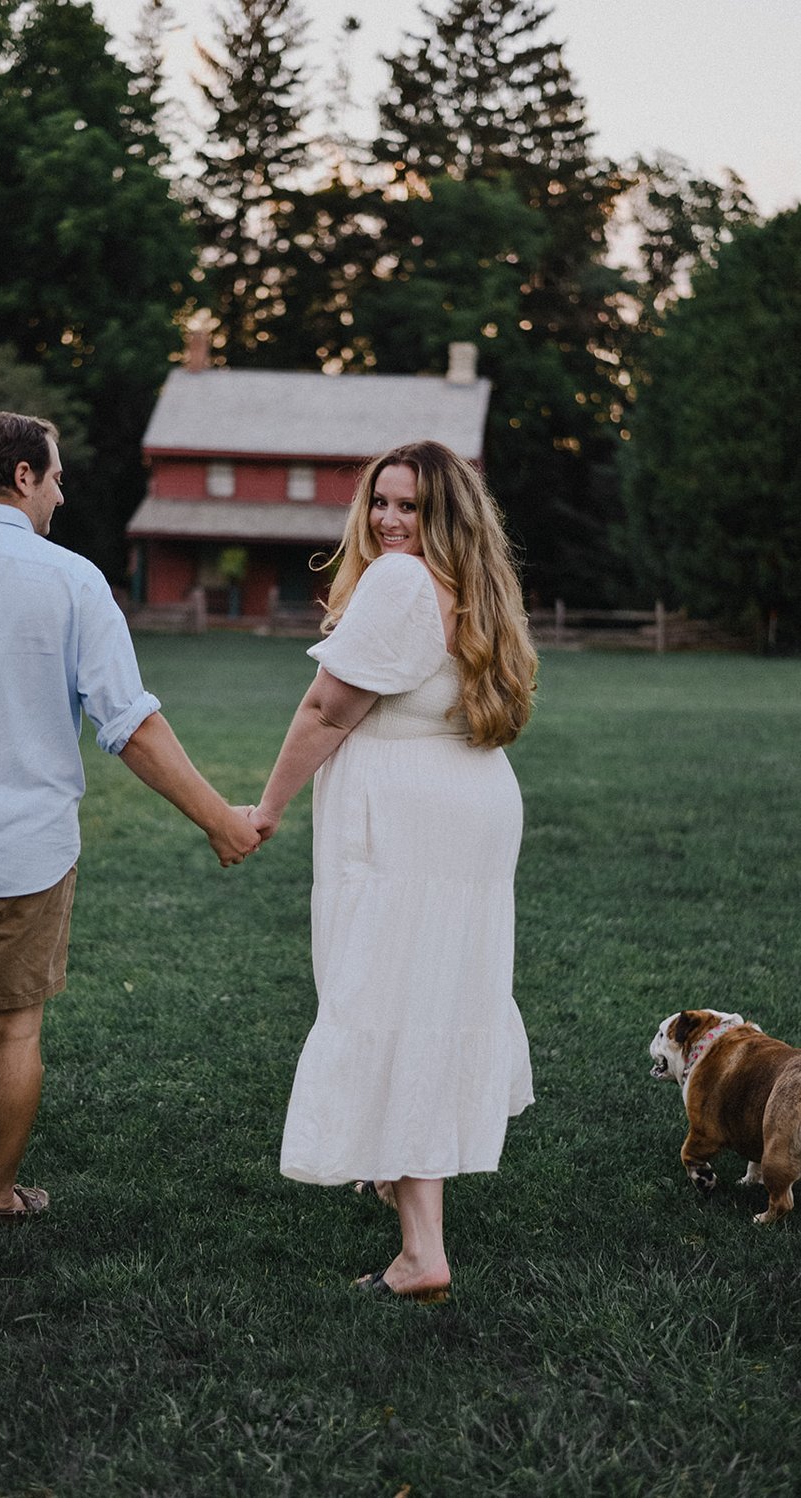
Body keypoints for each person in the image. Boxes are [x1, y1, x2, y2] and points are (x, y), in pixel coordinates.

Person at [0, 410, 260, 1305]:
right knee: (12, 1029)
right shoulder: (72, 582)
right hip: (28, 854)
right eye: (57, 477)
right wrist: (219, 818)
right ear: (23, 475)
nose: (62, 494)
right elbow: (129, 725)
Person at [249, 439, 536, 1302]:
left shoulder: (401, 581)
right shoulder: (478, 585)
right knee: (435, 988)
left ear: (442, 514)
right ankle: (397, 1168)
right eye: (380, 501)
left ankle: (421, 1253)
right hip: (471, 798)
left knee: (389, 994)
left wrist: (263, 809)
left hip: (409, 811)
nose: (387, 520)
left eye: (409, 506)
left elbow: (327, 709)